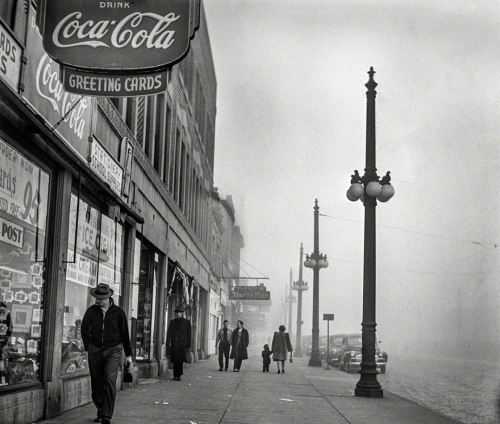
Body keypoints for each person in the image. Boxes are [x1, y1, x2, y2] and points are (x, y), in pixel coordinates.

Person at [81, 283, 132, 424]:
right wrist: (88, 347)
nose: (98, 301)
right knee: (97, 382)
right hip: (95, 350)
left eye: (101, 299)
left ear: (108, 298)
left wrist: (128, 356)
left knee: (109, 381)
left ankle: (106, 415)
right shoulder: (91, 311)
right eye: (96, 298)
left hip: (113, 350)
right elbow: (84, 328)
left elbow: (125, 334)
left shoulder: (118, 312)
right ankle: (101, 409)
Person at [166, 306, 192, 381]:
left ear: (182, 313)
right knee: (174, 361)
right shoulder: (172, 322)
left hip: (182, 345)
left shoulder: (186, 322)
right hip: (174, 344)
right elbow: (169, 333)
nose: (177, 314)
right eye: (176, 313)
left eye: (179, 313)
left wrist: (188, 345)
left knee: (180, 360)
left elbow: (189, 334)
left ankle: (179, 375)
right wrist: (168, 343)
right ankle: (175, 375)